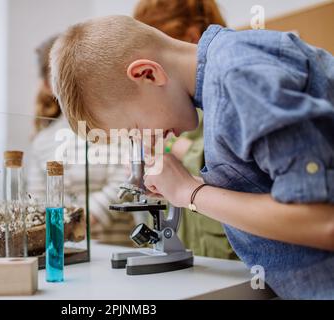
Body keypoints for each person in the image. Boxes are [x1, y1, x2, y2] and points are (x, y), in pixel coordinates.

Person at [49, 16, 334, 299]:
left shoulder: (237, 75)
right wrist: (185, 185)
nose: (148, 140)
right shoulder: (222, 82)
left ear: (148, 74)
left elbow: (323, 221)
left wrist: (190, 191)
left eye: (135, 129)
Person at [133, 0, 236, 260]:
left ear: (190, 35)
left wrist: (174, 150)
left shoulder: (231, 85)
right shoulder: (176, 97)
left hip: (232, 254)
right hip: (195, 243)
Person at [27, 36, 135, 246]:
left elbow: (124, 181)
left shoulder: (118, 126)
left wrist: (80, 220)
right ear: (47, 85)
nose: (73, 80)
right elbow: (37, 200)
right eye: (62, 74)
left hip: (117, 253)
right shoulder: (42, 142)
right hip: (66, 253)